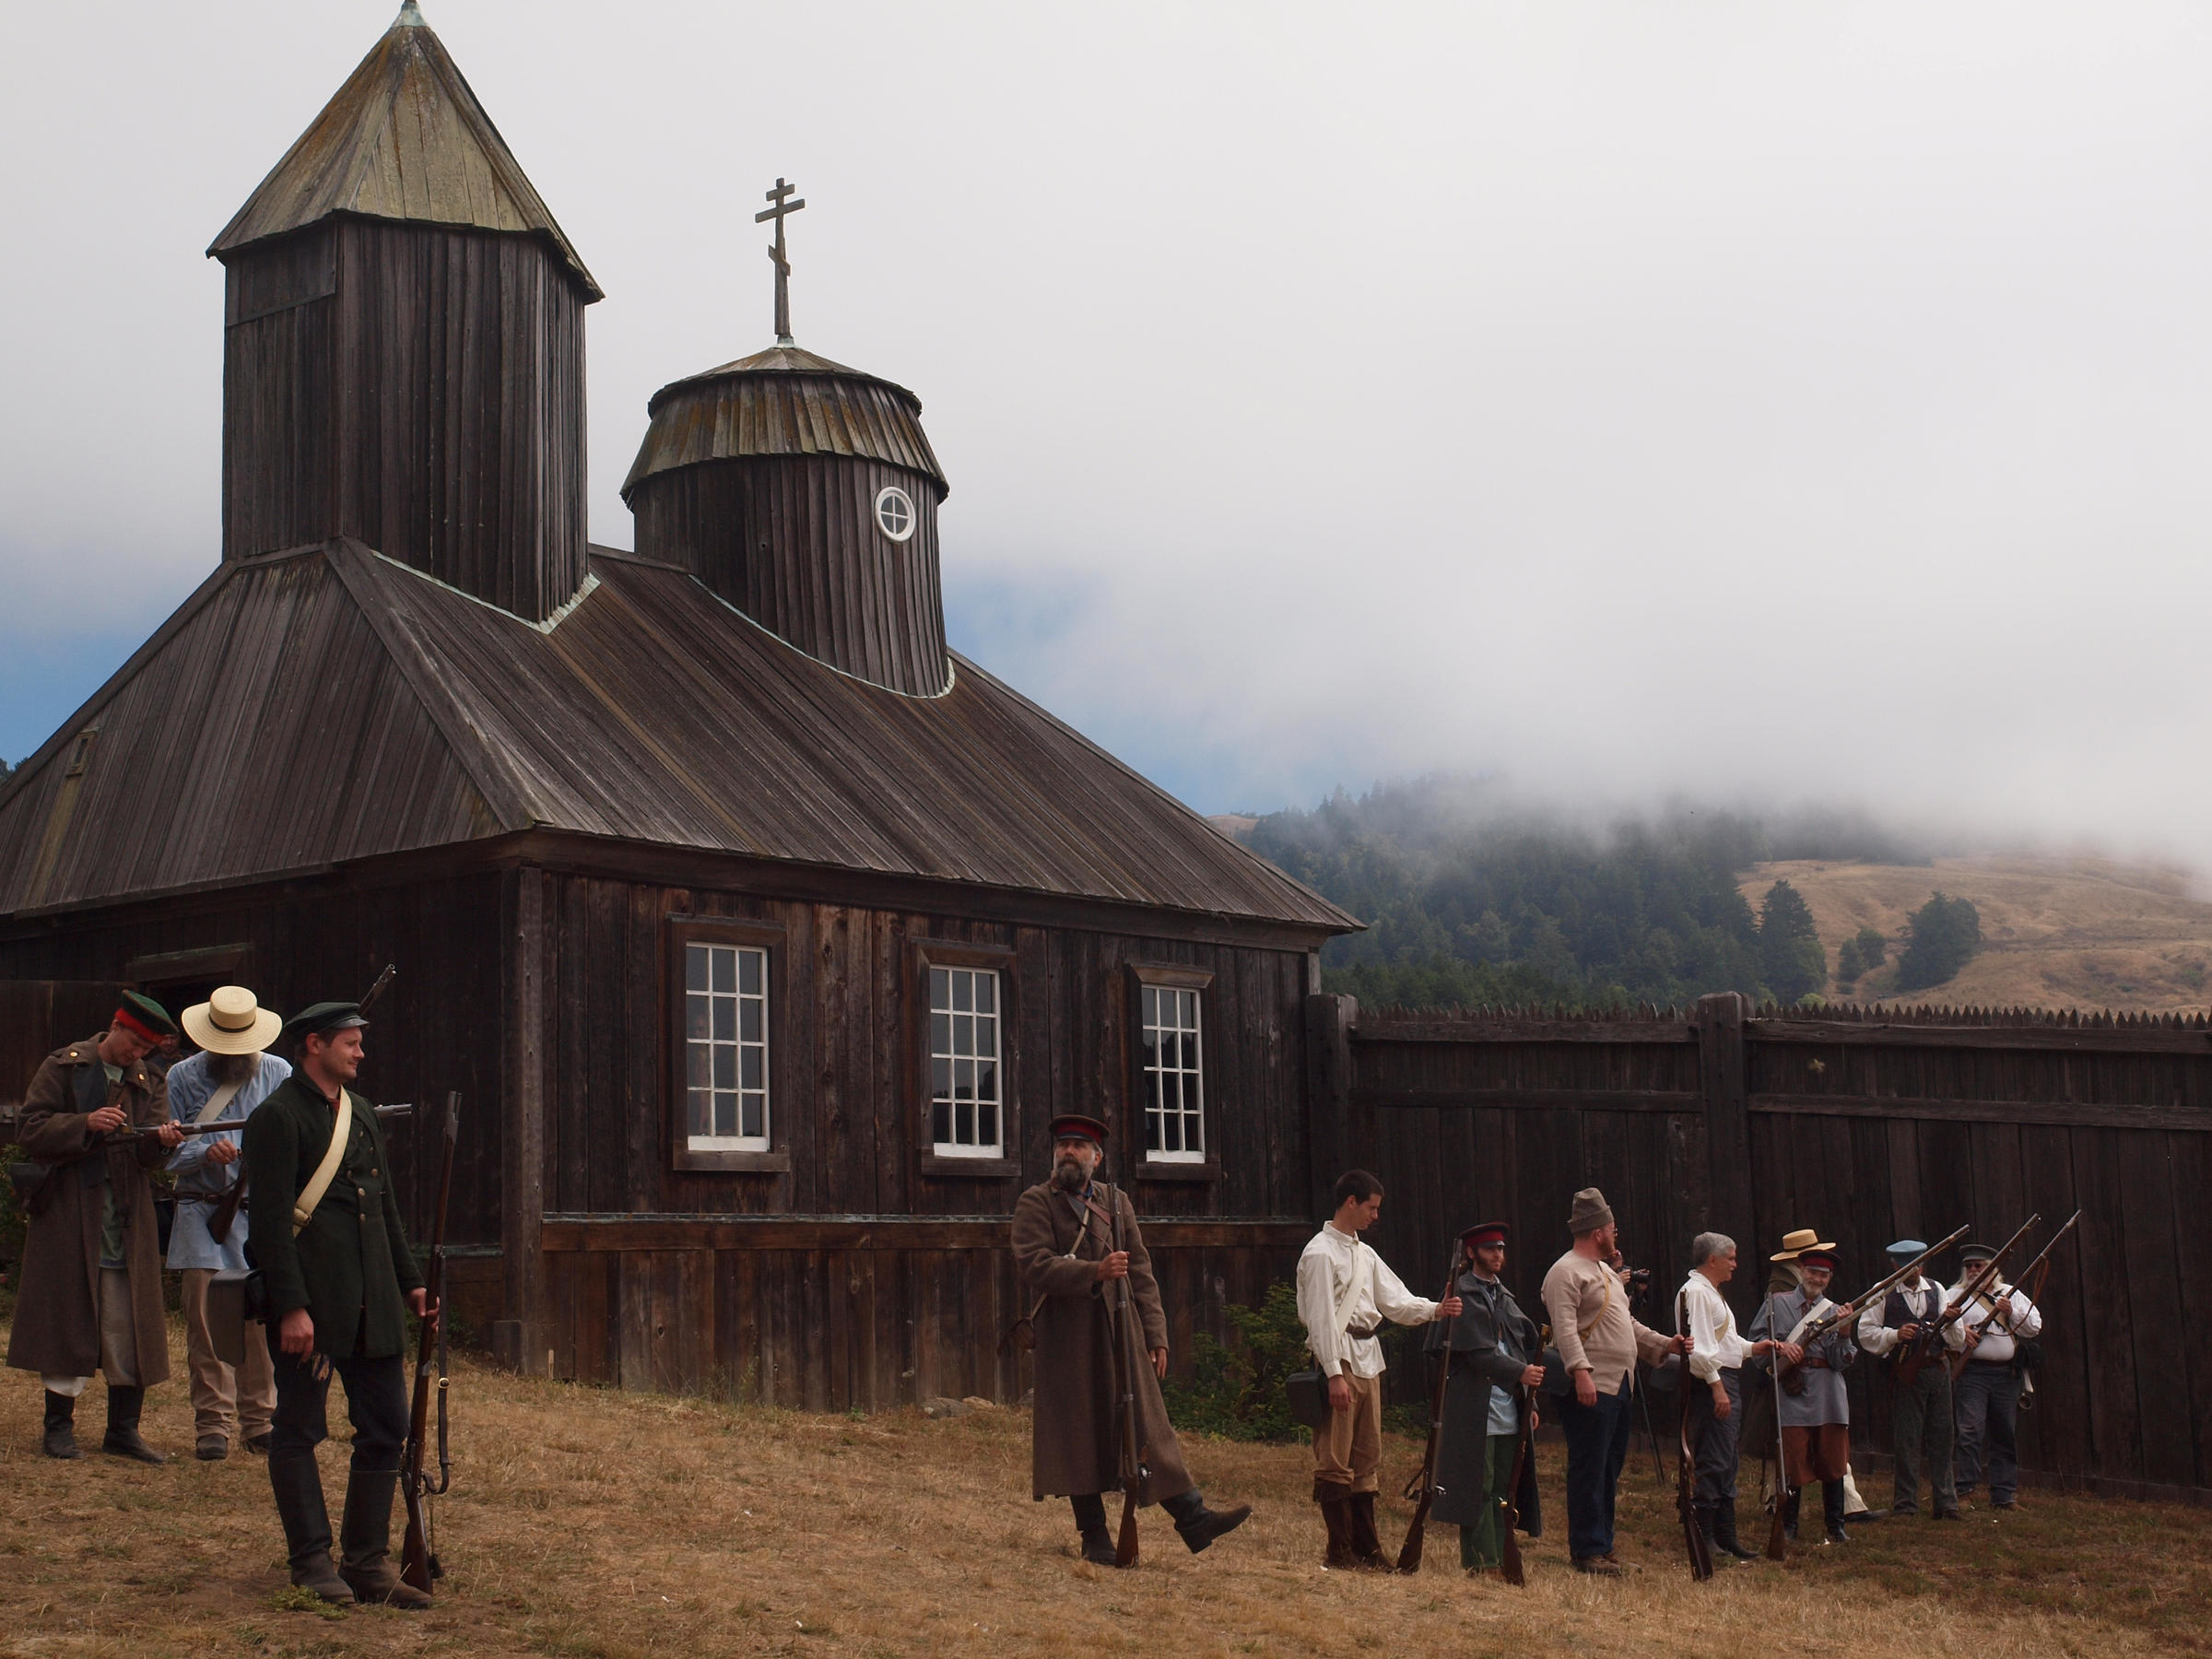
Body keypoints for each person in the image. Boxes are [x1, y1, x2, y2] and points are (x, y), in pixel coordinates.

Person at [244, 1001, 435, 1607]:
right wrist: (291, 1307)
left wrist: (410, 1283)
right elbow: (270, 1225)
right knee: (298, 1429)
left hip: (371, 1303)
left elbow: (384, 1210)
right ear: (314, 1046)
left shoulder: (363, 1114)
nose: (359, 1052)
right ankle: (310, 1563)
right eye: (348, 1043)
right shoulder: (277, 1117)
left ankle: (365, 1563)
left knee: (387, 1427)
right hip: (313, 1303)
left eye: (359, 1042)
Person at [1009, 1114, 1251, 1566]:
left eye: (1080, 1147)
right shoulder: (1035, 1202)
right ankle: (1094, 1536)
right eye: (1064, 1145)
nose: (1069, 1153)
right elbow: (1033, 1264)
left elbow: (1140, 1271)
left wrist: (1156, 1334)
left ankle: (1193, 1517)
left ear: (1096, 1159)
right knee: (1078, 1432)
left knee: (1146, 1426)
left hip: (1121, 1331)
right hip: (1069, 1337)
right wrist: (1092, 1272)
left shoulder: (1116, 1202)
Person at [6, 994, 185, 1462]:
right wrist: (85, 1122)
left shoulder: (149, 1081)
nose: (139, 1053)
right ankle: (58, 1428)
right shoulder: (64, 1066)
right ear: (116, 1027)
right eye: (136, 1042)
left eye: (148, 1047)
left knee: (130, 1328)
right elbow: (30, 1128)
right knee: (67, 1321)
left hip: (126, 1222)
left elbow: (149, 1157)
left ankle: (123, 1431)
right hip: (69, 1216)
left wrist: (163, 1143)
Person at [1297, 1170, 1461, 1570]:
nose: (1375, 1216)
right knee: (1336, 1460)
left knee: (1366, 1458)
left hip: (1369, 1359)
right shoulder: (1319, 1253)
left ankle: (1366, 1549)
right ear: (1350, 1202)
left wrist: (1435, 1310)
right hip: (1340, 1358)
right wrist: (1334, 1372)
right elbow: (1319, 1319)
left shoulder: (1364, 1254)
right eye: (1371, 1207)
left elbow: (1395, 1300)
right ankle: (1339, 1551)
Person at [166, 986, 289, 1461]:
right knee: (203, 1320)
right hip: (201, 1209)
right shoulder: (181, 1076)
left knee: (257, 1321)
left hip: (255, 1214)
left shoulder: (277, 1072)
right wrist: (203, 1151)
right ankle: (211, 1424)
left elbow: (296, 1140)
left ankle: (260, 1421)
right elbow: (166, 1151)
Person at [1540, 1187, 1688, 1574]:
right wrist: (1581, 1372)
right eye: (1612, 1229)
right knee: (1590, 1467)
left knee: (1608, 1467)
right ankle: (1587, 1550)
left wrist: (1665, 1345)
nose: (1615, 1236)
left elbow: (1628, 1325)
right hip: (1591, 1384)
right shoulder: (1565, 1272)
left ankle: (1602, 1545)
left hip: (1620, 1383)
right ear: (1598, 1232)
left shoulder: (1605, 1272)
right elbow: (1566, 1329)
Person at [1423, 1221, 1543, 1575]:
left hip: (1506, 1403)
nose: (1498, 1255)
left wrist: (1530, 1400)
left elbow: (1520, 1346)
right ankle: (1481, 1562)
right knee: (1479, 1484)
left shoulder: (1503, 1296)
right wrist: (1521, 1374)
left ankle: (1501, 1557)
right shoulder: (1461, 1293)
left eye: (1501, 1249)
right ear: (1472, 1253)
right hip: (1473, 1405)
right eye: (1491, 1248)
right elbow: (1478, 1353)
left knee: (1503, 1488)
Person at [1677, 1231, 1784, 1563]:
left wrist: (1753, 1348)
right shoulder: (1696, 1292)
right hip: (1714, 1382)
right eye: (1731, 1258)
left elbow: (1724, 1341)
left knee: (1727, 1462)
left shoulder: (1710, 1292)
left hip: (1724, 1378)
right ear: (1712, 1259)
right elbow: (1699, 1349)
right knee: (1714, 1459)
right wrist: (1716, 1385)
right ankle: (1705, 1536)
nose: (1735, 1265)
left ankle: (1726, 1536)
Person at [1747, 1231, 1855, 1545]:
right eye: (1813, 1272)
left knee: (1833, 1463)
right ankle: (1789, 1524)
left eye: (1824, 1275)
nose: (1817, 1279)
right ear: (1802, 1272)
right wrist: (1781, 1350)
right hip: (1792, 1395)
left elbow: (1841, 1361)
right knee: (1793, 1463)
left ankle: (1835, 1527)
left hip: (1828, 1396)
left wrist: (1845, 1332)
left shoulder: (1835, 1311)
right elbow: (1756, 1346)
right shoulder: (1775, 1303)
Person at [1855, 1237, 1966, 1520]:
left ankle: (1946, 1502)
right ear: (1894, 1265)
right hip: (1905, 1373)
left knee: (1943, 1435)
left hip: (1937, 1368)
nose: (1911, 1271)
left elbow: (1957, 1339)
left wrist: (1951, 1321)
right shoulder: (1882, 1292)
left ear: (1922, 1264)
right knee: (1907, 1439)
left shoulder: (1939, 1290)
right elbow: (1866, 1334)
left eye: (1915, 1265)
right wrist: (1894, 1335)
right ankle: (1906, 1504)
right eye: (1904, 1266)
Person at [1950, 1240, 2043, 1512]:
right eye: (1969, 1266)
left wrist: (2010, 1311)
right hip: (1971, 1374)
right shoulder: (1954, 1295)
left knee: (2004, 1433)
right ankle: (1964, 1490)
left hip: (2006, 1374)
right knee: (1970, 1431)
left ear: (1992, 1269)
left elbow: (2033, 1327)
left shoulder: (2009, 1294)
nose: (1974, 1270)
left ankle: (2003, 1495)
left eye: (1979, 1265)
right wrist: (1960, 1335)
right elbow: (1940, 1330)